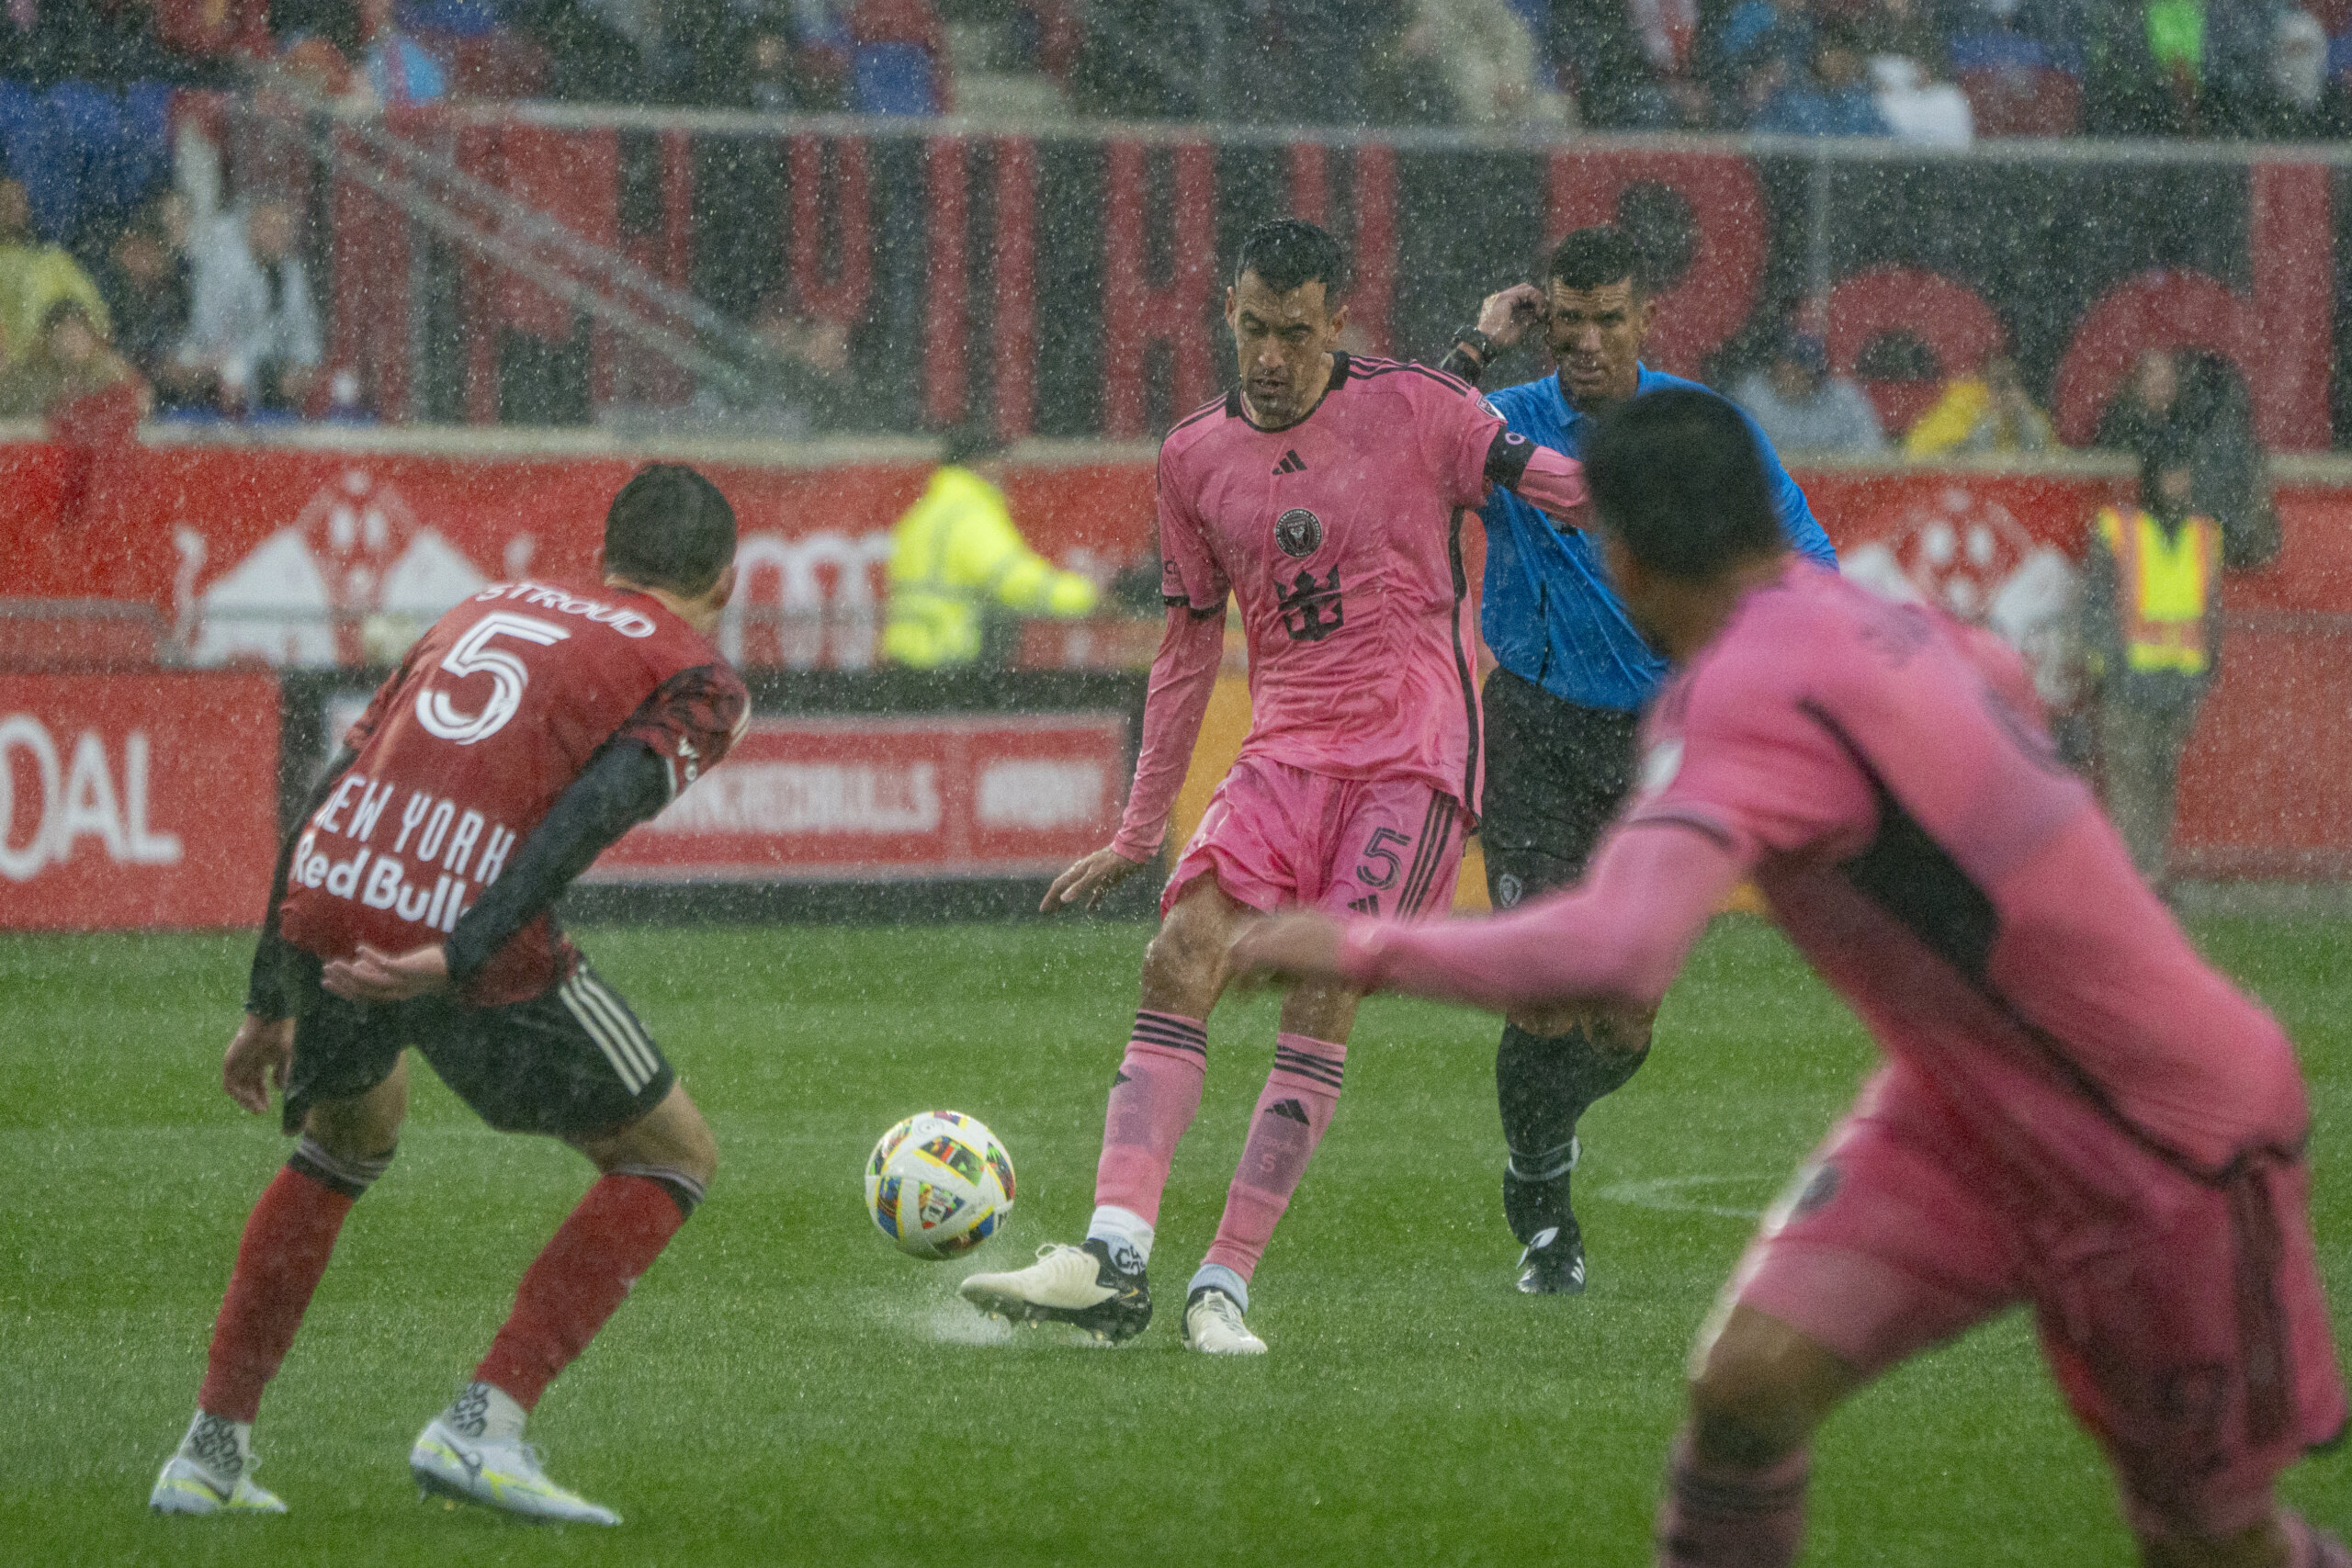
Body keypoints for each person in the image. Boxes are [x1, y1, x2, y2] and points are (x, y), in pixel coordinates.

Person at [1231, 388, 2348, 1568]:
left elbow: (1619, 953)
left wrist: (1355, 945)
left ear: (1626, 553)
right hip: (1964, 1105)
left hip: (2154, 1131)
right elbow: (2009, 713)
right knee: (1747, 1386)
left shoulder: (1741, 690)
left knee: (2211, 1544)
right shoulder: (1883, 619)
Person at [955, 218, 1592, 1353]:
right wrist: (1136, 828)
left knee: (1320, 990)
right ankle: (1114, 1259)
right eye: (1252, 327)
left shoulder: (1414, 406)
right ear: (1230, 315)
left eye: (1295, 332)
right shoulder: (1193, 456)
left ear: (1334, 322)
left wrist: (1699, 504)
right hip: (1282, 756)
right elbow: (1188, 646)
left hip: (1413, 760)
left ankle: (1224, 1283)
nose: (1268, 356)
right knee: (1177, 956)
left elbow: (1549, 480)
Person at [151, 465, 752, 1526]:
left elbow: (339, 786)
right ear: (726, 577)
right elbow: (585, 822)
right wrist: (467, 949)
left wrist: (268, 990)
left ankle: (208, 1452)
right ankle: (484, 1425)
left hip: (333, 893)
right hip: (455, 921)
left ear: (605, 553)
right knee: (671, 1154)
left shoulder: (483, 605)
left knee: (350, 1133)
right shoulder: (694, 675)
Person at [1435, 223, 1837, 1294]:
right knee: (1543, 993)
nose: (1588, 342)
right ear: (1547, 324)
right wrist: (1476, 344)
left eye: (1609, 320)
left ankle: (1538, 1132)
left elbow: (1807, 562)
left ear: (1644, 317)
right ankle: (1543, 1206)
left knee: (1624, 1019)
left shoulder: (1702, 431)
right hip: (1529, 729)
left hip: (1660, 748)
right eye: (1568, 323)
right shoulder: (1507, 426)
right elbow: (1403, 440)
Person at [2080, 434, 2222, 890]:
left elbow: (2211, 608)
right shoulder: (2119, 530)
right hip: (2129, 679)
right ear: (2151, 480)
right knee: (2130, 784)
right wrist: (2103, 664)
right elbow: (2097, 602)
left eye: (2183, 474)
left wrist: (2205, 674)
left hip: (2178, 681)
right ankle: (2137, 879)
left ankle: (2149, 874)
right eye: (2170, 474)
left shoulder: (2203, 535)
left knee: (2159, 783)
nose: (2178, 484)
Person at [882, 425, 1101, 670]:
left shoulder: (924, 513)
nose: (1003, 471)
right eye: (996, 461)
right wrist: (1086, 598)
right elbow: (1015, 581)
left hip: (905, 662)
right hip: (947, 662)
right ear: (979, 464)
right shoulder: (969, 516)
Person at [180, 197, 322, 414]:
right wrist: (241, 370)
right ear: (252, 227)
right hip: (215, 373)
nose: (278, 235)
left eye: (284, 228)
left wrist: (303, 369)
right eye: (270, 226)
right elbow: (208, 332)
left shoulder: (291, 272)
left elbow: (304, 334)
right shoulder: (223, 266)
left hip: (270, 377)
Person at [0, 175, 109, 365]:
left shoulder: (54, 255)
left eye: (18, 200)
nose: (14, 208)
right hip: (28, 367)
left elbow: (96, 311)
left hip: (84, 357)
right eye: (5, 202)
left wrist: (71, 325)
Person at [1732, 330, 1885, 455]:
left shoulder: (1845, 399)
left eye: (1801, 368)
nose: (1792, 374)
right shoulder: (1752, 397)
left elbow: (1873, 452)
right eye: (1785, 364)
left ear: (1817, 374)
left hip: (1831, 485)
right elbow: (1739, 454)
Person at [1903, 352, 2056, 457]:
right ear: (1981, 380)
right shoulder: (1961, 405)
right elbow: (1920, 454)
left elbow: (2054, 461)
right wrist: (1987, 422)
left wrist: (2024, 417)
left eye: (2011, 381)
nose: (2003, 392)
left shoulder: (2029, 414)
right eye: (1997, 383)